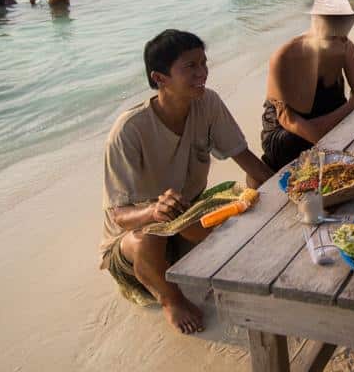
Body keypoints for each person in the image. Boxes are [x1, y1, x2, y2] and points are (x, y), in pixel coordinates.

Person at [100, 30, 273, 334]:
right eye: (190, 66)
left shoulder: (208, 103)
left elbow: (246, 160)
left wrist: (285, 193)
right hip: (136, 241)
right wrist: (154, 211)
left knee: (243, 201)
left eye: (203, 63)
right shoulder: (129, 130)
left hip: (186, 219)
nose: (202, 73)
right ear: (160, 78)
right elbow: (119, 215)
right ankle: (170, 300)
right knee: (147, 238)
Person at [259, 0, 354, 171]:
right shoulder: (284, 56)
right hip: (289, 131)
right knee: (292, 143)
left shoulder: (345, 46)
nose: (340, 42)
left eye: (343, 35)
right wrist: (333, 144)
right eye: (332, 37)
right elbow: (288, 120)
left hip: (330, 116)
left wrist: (340, 123)